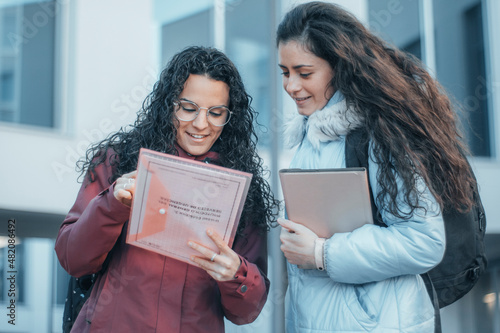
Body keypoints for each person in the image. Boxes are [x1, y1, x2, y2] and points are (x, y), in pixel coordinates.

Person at [275, 2, 477, 332]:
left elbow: (423, 242)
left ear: (338, 67)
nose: (291, 86)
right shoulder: (310, 139)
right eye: (285, 73)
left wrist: (322, 253)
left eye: (304, 73)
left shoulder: (378, 136)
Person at [55, 46, 280, 333]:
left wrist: (237, 273)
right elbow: (72, 259)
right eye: (188, 108)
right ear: (168, 104)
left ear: (230, 116)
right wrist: (112, 205)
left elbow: (247, 311)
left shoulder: (241, 191)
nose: (200, 124)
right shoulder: (118, 160)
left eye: (216, 113)